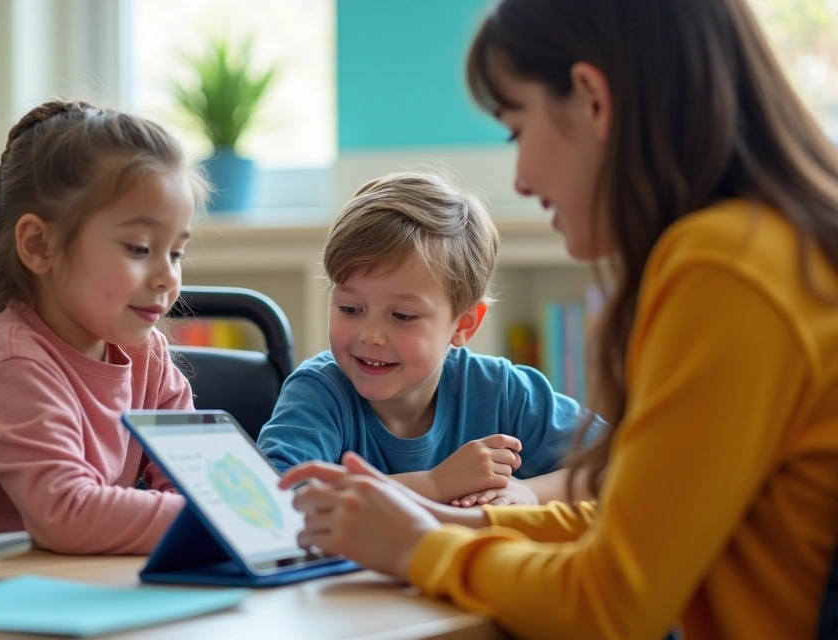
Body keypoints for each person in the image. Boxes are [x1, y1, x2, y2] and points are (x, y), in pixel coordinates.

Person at [281, 0, 838, 637]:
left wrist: (418, 549)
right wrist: (451, 522)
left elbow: (612, 603)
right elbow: (639, 515)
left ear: (592, 100)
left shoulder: (728, 268)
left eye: (517, 130)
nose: (519, 177)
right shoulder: (778, 248)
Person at [0, 101, 206, 554]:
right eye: (139, 247)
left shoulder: (148, 355)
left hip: (83, 583)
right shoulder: (8, 360)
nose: (168, 276)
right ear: (39, 245)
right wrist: (217, 520)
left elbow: (197, 475)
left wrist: (218, 510)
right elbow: (69, 515)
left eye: (176, 253)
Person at [258, 172, 587, 507]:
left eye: (402, 316)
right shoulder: (320, 394)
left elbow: (621, 462)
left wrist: (530, 492)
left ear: (464, 324)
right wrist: (434, 484)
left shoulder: (501, 391)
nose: (370, 335)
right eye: (350, 308)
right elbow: (278, 499)